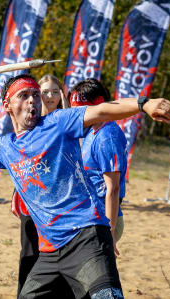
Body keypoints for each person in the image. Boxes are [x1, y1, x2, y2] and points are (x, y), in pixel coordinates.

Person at [0, 73, 170, 298]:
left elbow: (102, 110)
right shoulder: (4, 146)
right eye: (23, 95)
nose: (32, 100)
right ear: (7, 105)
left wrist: (144, 103)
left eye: (35, 95)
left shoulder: (58, 122)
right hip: (50, 253)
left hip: (87, 238)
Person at [12, 74, 71, 297]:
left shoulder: (66, 119)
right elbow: (20, 159)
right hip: (32, 199)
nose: (49, 96)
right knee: (29, 252)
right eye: (44, 91)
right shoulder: (30, 119)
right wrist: (15, 193)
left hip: (60, 201)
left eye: (55, 91)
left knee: (60, 254)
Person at [69, 78, 127, 257]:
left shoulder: (107, 136)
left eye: (79, 110)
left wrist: (109, 231)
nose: (77, 116)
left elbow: (113, 188)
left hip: (104, 221)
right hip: (91, 218)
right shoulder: (92, 131)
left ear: (98, 105)